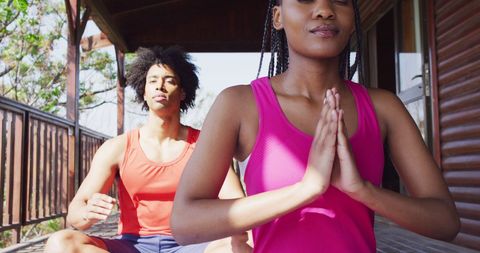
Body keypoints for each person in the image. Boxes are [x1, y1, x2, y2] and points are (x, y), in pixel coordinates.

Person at [171, 0, 460, 252]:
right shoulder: (238, 104)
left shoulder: (384, 107)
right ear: (278, 17)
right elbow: (185, 223)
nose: (324, 10)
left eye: (341, 0)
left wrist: (363, 190)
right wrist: (305, 189)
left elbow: (445, 221)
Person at [44, 46, 251, 253]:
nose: (160, 86)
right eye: (152, 81)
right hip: (132, 246)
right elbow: (75, 213)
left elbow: (237, 205)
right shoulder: (117, 148)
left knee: (241, 245)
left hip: (191, 243)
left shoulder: (204, 145)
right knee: (61, 243)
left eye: (169, 80)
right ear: (143, 92)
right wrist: (87, 213)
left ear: (182, 92)